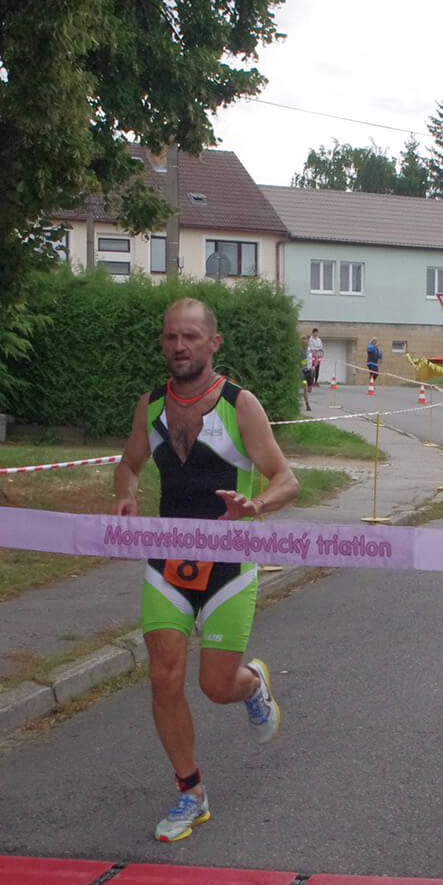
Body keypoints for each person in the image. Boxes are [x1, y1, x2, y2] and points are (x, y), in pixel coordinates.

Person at [112, 298, 298, 842]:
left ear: (213, 343)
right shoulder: (151, 407)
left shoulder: (240, 405)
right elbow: (128, 464)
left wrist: (257, 506)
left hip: (230, 564)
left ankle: (252, 684)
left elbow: (286, 478)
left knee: (216, 687)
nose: (179, 346)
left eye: (191, 336)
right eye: (171, 337)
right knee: (163, 676)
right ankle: (190, 792)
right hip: (166, 562)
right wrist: (125, 495)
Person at [303, 327, 323, 412]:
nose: (305, 343)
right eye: (304, 342)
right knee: (305, 388)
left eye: (306, 342)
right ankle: (307, 404)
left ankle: (304, 395)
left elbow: (315, 357)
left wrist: (314, 366)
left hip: (309, 371)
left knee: (309, 390)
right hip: (303, 371)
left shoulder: (310, 350)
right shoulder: (300, 352)